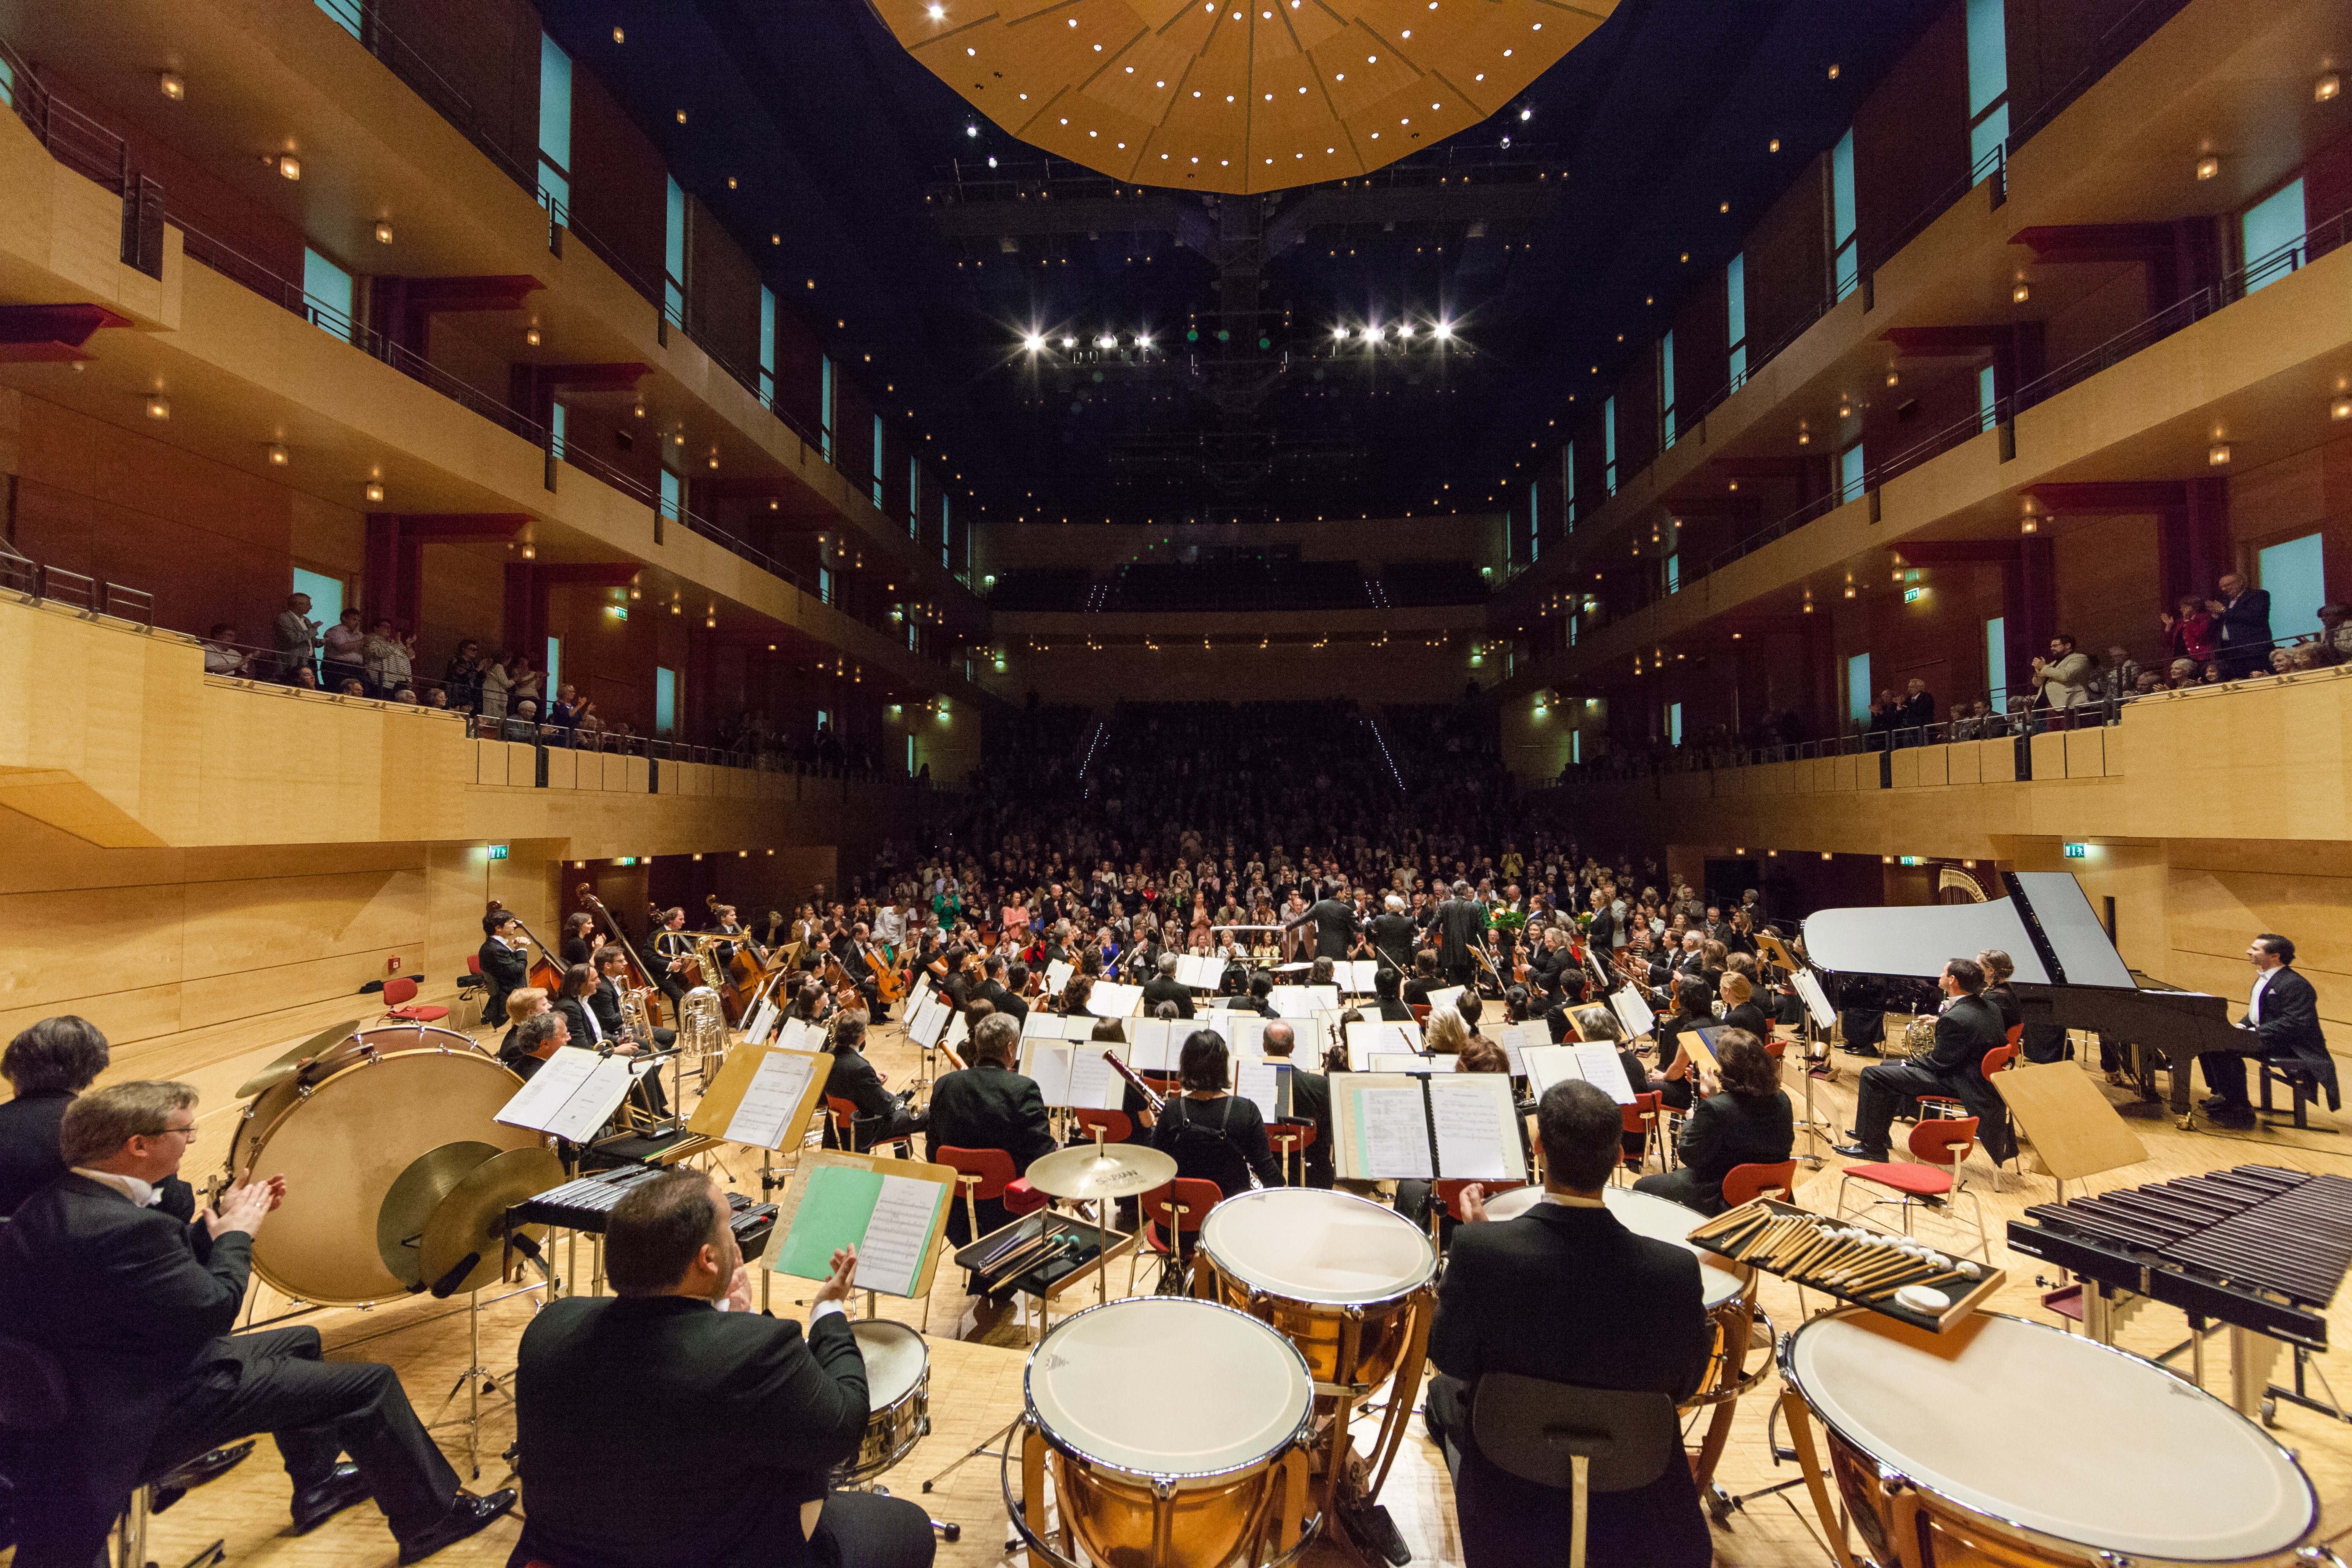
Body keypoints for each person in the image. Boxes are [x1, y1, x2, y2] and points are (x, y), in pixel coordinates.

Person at [0, 1082, 513, 1566]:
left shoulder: (52, 1206)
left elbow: (143, 1292)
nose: (190, 1142)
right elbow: (213, 1311)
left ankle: (316, 1484)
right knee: (369, 1384)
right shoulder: (128, 1229)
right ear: (139, 1145)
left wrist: (213, 1229)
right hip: (142, 1409)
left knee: (304, 1339)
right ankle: (432, 1520)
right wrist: (236, 1236)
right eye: (186, 1132)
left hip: (96, 1386)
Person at [511, 1169, 934, 1568]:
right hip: (708, 1556)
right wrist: (828, 1310)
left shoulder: (550, 1327)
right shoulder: (755, 1351)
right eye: (730, 1227)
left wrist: (724, 1319)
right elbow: (843, 1425)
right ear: (708, 1259)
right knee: (909, 1528)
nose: (737, 1238)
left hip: (566, 1556)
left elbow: (657, 1398)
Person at [1425, 1081, 1712, 1568]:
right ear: (1620, 1155)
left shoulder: (1480, 1251)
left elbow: (1449, 1356)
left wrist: (1479, 1246)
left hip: (1510, 1480)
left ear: (1539, 1148)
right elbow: (1685, 1386)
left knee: (1441, 1399)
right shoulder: (1676, 1271)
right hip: (1634, 1482)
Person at [0, 1016, 194, 1221]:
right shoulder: (109, 1125)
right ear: (94, 1068)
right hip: (103, 1245)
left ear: (15, 1071)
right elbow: (176, 1205)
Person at [1834, 957, 2011, 1161]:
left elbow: (1938, 1063)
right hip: (1973, 1077)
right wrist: (1941, 1023)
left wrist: (1907, 1062)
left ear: (1953, 980)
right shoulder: (1989, 1007)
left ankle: (1872, 1148)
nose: (1940, 976)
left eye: (1943, 973)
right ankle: (1873, 1136)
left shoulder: (1958, 1018)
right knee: (1885, 1066)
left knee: (1872, 1074)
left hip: (1959, 1082)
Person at [925, 1013, 1058, 1244]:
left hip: (957, 1216)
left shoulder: (946, 1085)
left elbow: (933, 1151)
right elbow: (1043, 1158)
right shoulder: (1023, 1089)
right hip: (1012, 1212)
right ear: (1010, 1049)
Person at [1634, 1030, 1793, 1215]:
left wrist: (1691, 1122)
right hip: (1772, 1189)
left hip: (1723, 1192)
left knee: (1642, 1187)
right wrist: (1713, 1095)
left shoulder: (1716, 1109)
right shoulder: (1782, 1099)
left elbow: (1689, 1155)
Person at [2199, 934, 2329, 1129]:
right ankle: (2226, 1096)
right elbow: (2256, 1013)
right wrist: (2243, 1026)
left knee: (2225, 1047)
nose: (2249, 951)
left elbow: (2295, 1022)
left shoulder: (2295, 984)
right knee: (2207, 1040)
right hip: (2270, 1037)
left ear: (2275, 956)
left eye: (2255, 949)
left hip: (2293, 1045)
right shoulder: (2266, 978)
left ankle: (2240, 1106)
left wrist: (2255, 1031)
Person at [1150, 1029, 1282, 1203]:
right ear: (1223, 1066)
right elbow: (1267, 1171)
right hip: (1231, 1218)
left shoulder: (1172, 1109)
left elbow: (1155, 1165)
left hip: (1181, 1217)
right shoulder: (1246, 1110)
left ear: (1186, 1066)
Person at [823, 1016, 924, 1150]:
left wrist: (873, 1082)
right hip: (865, 1128)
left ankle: (904, 1159)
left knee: (902, 1113)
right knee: (925, 1116)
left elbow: (852, 1084)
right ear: (860, 1037)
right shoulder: (861, 1068)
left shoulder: (829, 1056)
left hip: (841, 1125)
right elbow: (883, 1106)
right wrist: (895, 1098)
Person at [1260, 1020, 1332, 1188]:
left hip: (1265, 1175)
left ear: (1264, 1046)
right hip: (1312, 1176)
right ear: (1292, 1048)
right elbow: (1327, 1137)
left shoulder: (1250, 1084)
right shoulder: (1320, 1086)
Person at [2208, 570, 2274, 678]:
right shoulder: (2224, 601)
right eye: (2222, 587)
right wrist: (2215, 616)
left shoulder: (2259, 595)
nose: (2224, 589)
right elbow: (2214, 628)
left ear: (2241, 583)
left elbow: (2253, 616)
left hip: (2252, 651)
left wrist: (2224, 610)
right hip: (2228, 652)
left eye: (2228, 585)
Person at [2029, 633, 2095, 728]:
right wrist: (2039, 672)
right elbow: (2037, 683)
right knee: (2048, 740)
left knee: (2068, 737)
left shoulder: (2079, 658)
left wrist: (2044, 668)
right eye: (2051, 646)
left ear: (2068, 646)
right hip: (2048, 708)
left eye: (2055, 646)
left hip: (2068, 706)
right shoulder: (2052, 664)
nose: (2052, 648)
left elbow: (2066, 675)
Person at [478, 910, 530, 1026]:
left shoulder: (496, 946)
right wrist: (522, 950)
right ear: (498, 928)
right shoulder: (495, 949)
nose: (515, 925)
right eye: (511, 923)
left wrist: (517, 950)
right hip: (507, 1003)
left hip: (511, 998)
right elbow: (518, 971)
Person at [1432, 880, 1486, 985]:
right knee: (1468, 982)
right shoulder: (1475, 907)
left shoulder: (1444, 905)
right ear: (1466, 892)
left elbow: (1434, 925)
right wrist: (1484, 945)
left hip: (1451, 951)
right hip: (1469, 951)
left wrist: (1426, 934)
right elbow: (1482, 929)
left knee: (1454, 982)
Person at [1140, 949, 1195, 1019]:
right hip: (1175, 1026)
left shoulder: (1149, 986)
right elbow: (1191, 1014)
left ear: (1160, 968)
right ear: (1174, 970)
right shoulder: (1183, 990)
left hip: (1154, 1025)